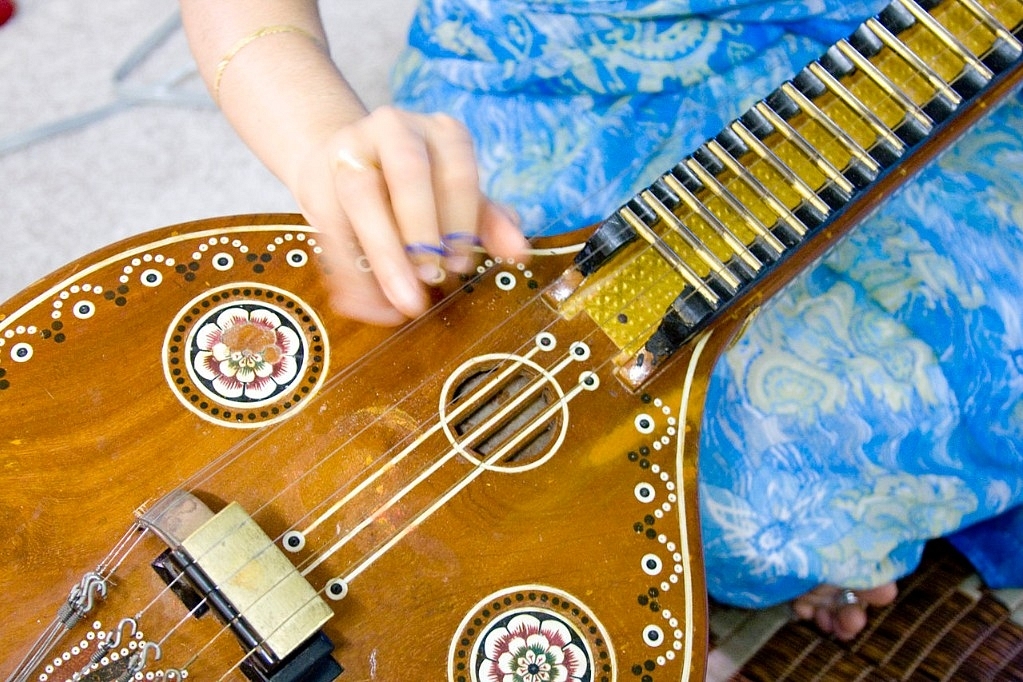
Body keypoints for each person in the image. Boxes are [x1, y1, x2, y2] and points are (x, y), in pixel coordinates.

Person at [179, 0, 1023, 642]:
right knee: (457, 365)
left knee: (764, 508)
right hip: (552, 63)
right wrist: (321, 136)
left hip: (933, 45)